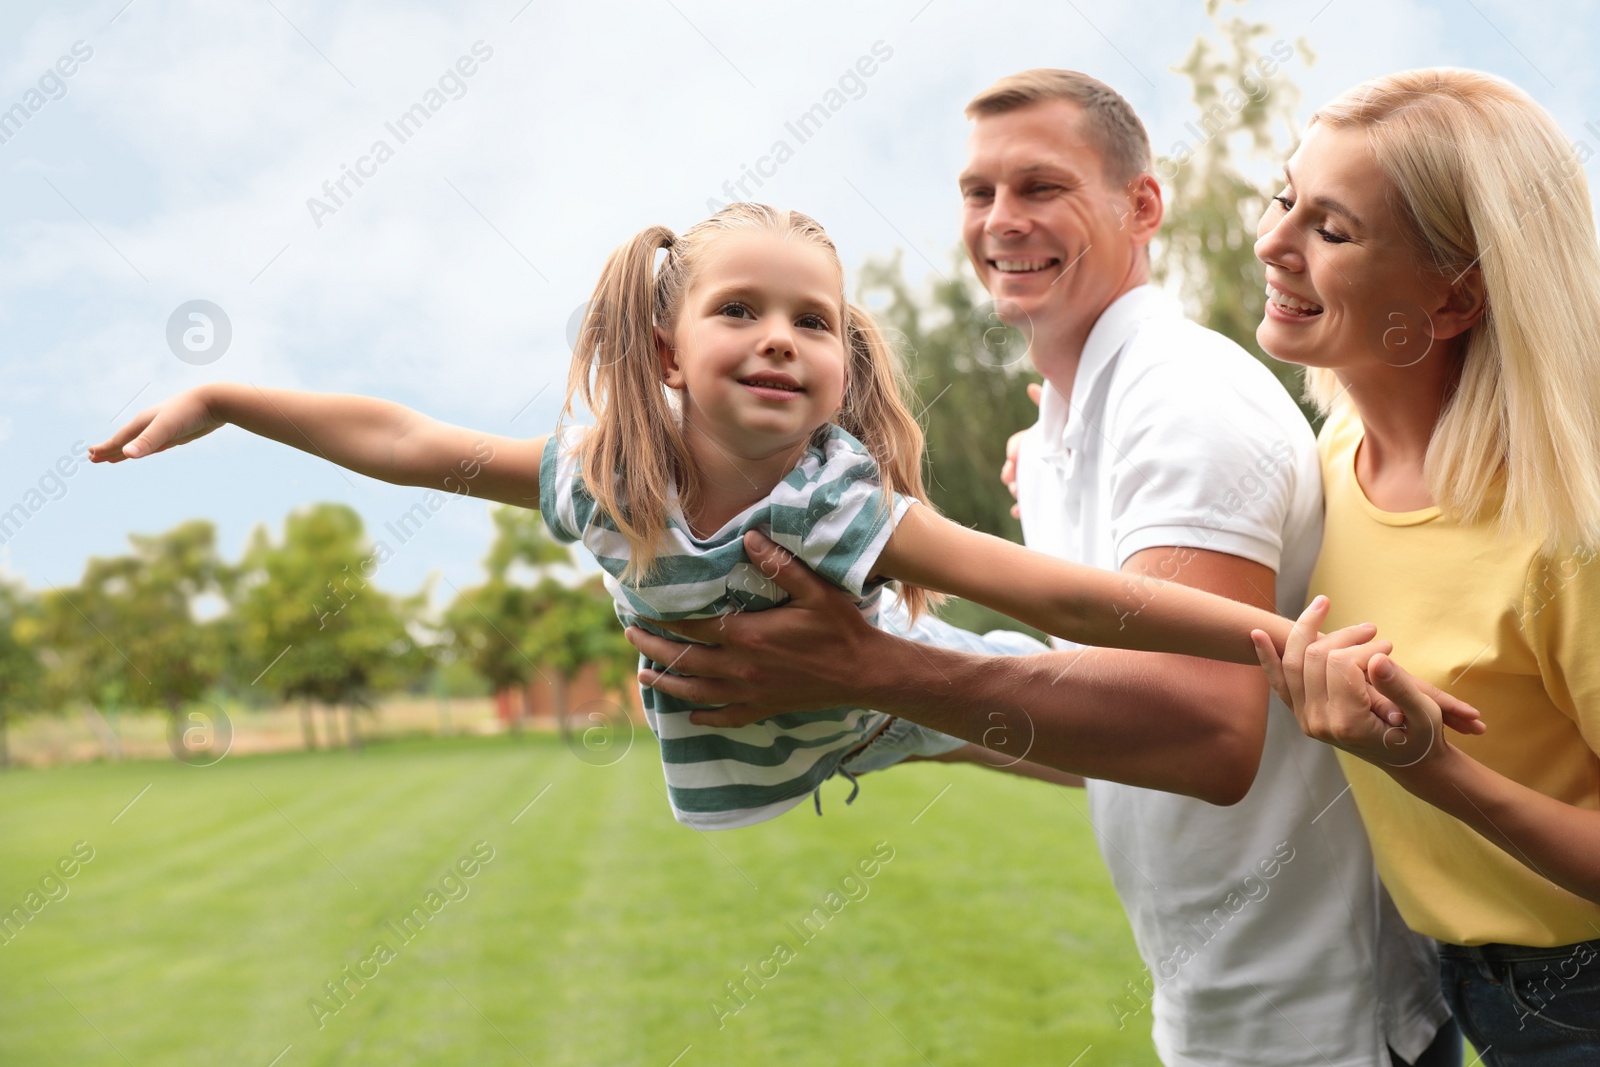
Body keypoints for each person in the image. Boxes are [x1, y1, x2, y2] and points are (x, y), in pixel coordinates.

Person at [623, 71, 1471, 1065]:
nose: (1001, 221)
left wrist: (868, 668)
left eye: (1041, 187)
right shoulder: (1061, 433)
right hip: (1221, 1011)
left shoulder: (1182, 400)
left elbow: (1203, 734)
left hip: (1323, 1021)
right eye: (978, 192)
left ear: (1141, 206)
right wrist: (868, 714)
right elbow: (1116, 746)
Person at [92, 201, 1308, 833]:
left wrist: (1270, 640)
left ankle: (1273, 735)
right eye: (741, 309)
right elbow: (413, 445)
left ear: (841, 362)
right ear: (667, 349)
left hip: (883, 701)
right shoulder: (611, 477)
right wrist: (227, 396)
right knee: (1025, 729)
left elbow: (1054, 593)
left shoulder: (836, 505)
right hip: (792, 720)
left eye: (814, 321)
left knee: (1019, 703)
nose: (781, 336)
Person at [1249, 68, 1600, 1064]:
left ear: (1455, 298)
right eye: (1283, 198)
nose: (1272, 243)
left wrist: (1435, 768)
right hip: (1440, 977)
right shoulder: (1319, 476)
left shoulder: (1565, 532)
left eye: (1331, 227)